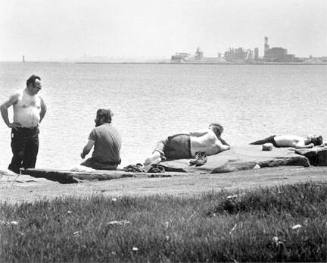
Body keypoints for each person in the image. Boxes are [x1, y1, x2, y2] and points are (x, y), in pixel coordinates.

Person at [0, 75, 47, 173]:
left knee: (32, 157)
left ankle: (27, 180)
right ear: (30, 85)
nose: (39, 89)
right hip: (20, 131)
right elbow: (3, 107)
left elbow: (44, 109)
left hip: (34, 132)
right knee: (19, 155)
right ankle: (10, 176)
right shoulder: (18, 95)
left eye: (40, 88)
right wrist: (9, 123)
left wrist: (39, 121)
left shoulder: (39, 98)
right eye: (37, 87)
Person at [144, 123, 230, 165]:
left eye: (209, 127)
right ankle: (161, 157)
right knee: (168, 154)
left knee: (163, 142)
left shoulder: (209, 132)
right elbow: (228, 146)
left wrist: (171, 136)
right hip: (188, 153)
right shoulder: (219, 146)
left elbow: (191, 133)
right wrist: (219, 138)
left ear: (213, 128)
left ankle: (157, 154)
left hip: (186, 141)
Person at [250, 134, 323, 149]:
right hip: (275, 137)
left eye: (313, 136)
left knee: (258, 142)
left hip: (274, 141)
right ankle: (250, 144)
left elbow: (297, 146)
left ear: (311, 140)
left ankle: (249, 144)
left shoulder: (302, 142)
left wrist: (307, 146)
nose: (312, 135)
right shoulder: (302, 139)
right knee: (259, 142)